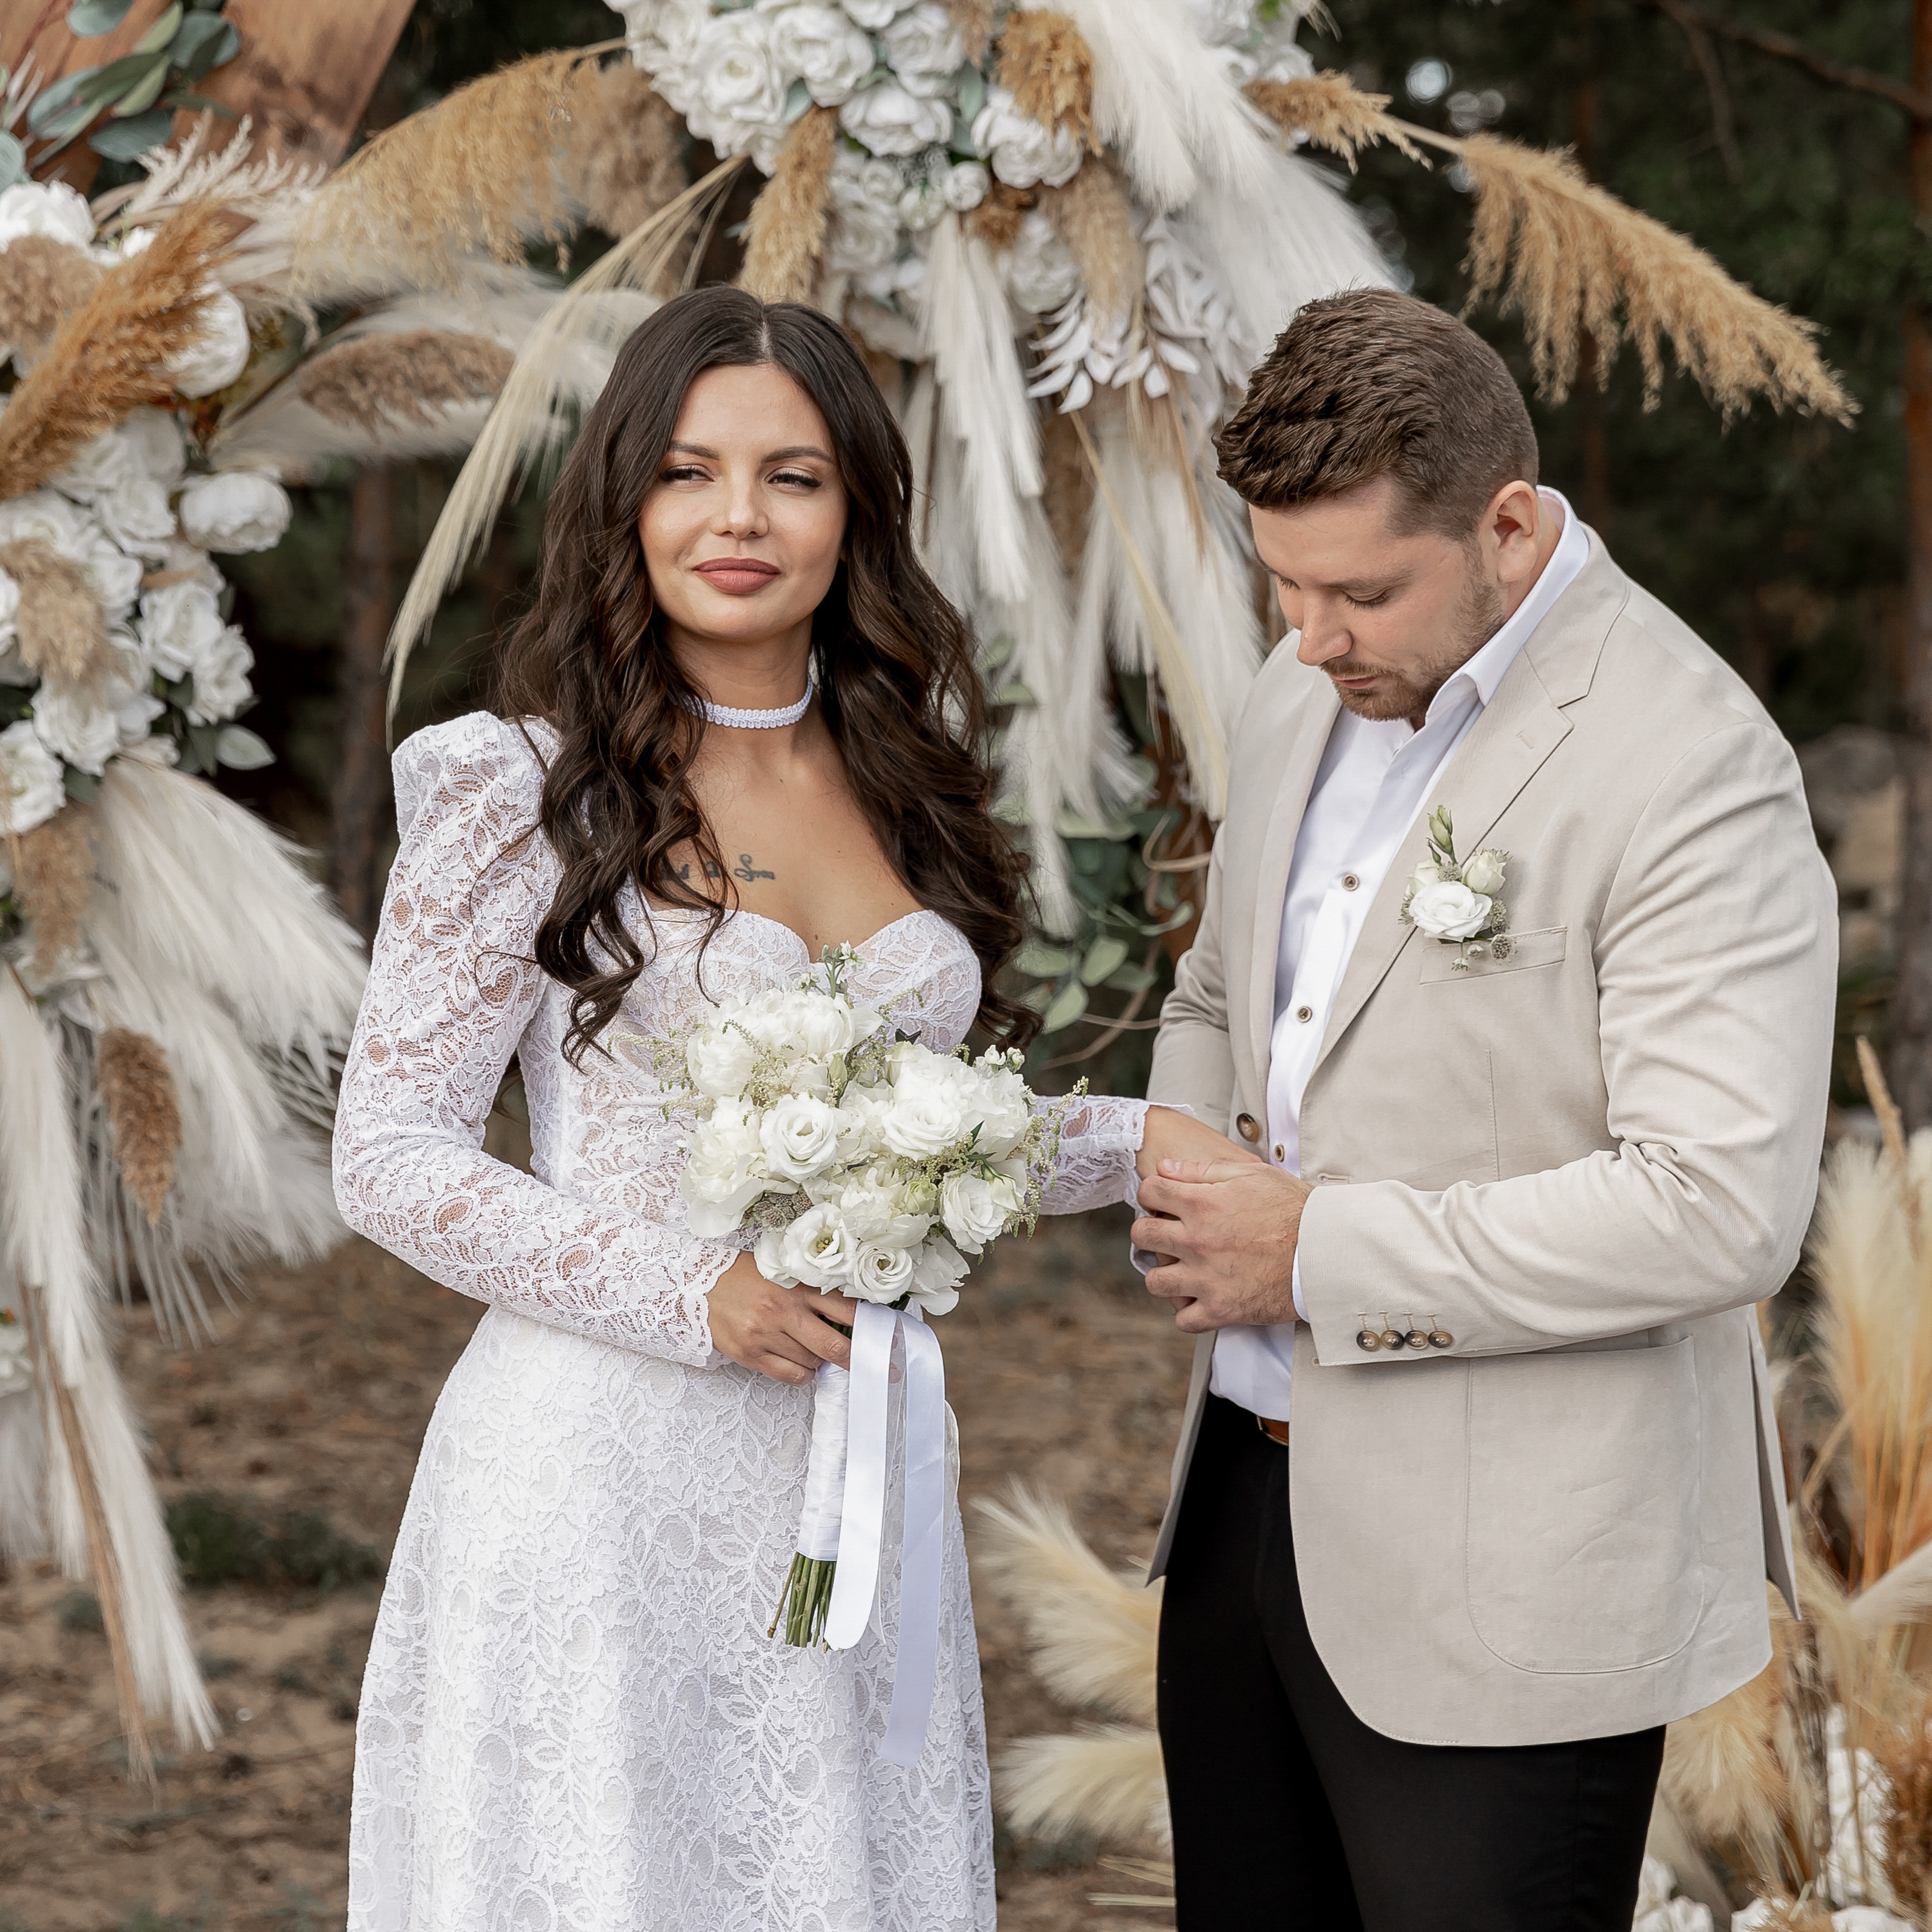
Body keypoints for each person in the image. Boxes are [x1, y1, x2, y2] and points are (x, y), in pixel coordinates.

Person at [331, 285, 1225, 1932]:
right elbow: (387, 1157)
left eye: (791, 475)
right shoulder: (518, 786)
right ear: (624, 502)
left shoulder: (911, 772)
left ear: (856, 510)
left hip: (849, 1453)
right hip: (598, 1470)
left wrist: (1160, 1148)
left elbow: (938, 1127)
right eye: (688, 471)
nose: (737, 516)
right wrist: (699, 1295)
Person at [1131, 288, 1837, 1930]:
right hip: (1241, 1502)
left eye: (1360, 588)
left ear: (1507, 524)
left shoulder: (1688, 759)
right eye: (1279, 581)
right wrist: (1182, 1159)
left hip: (1512, 1577)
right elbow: (1221, 991)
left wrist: (1307, 1251)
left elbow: (1714, 1204)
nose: (1309, 634)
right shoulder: (1303, 678)